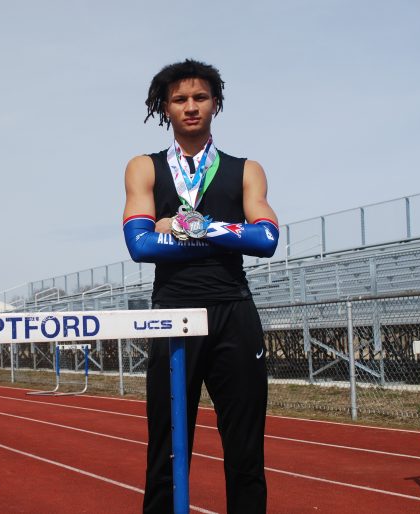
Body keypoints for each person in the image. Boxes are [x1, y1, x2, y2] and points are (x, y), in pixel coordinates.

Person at [122, 59, 279, 513]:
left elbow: (266, 238)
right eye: (179, 99)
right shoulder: (143, 167)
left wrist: (192, 228)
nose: (190, 107)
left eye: (200, 97)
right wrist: (228, 235)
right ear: (165, 108)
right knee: (167, 450)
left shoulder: (246, 169)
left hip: (234, 311)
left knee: (246, 450)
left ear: (215, 104)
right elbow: (141, 246)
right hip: (173, 312)